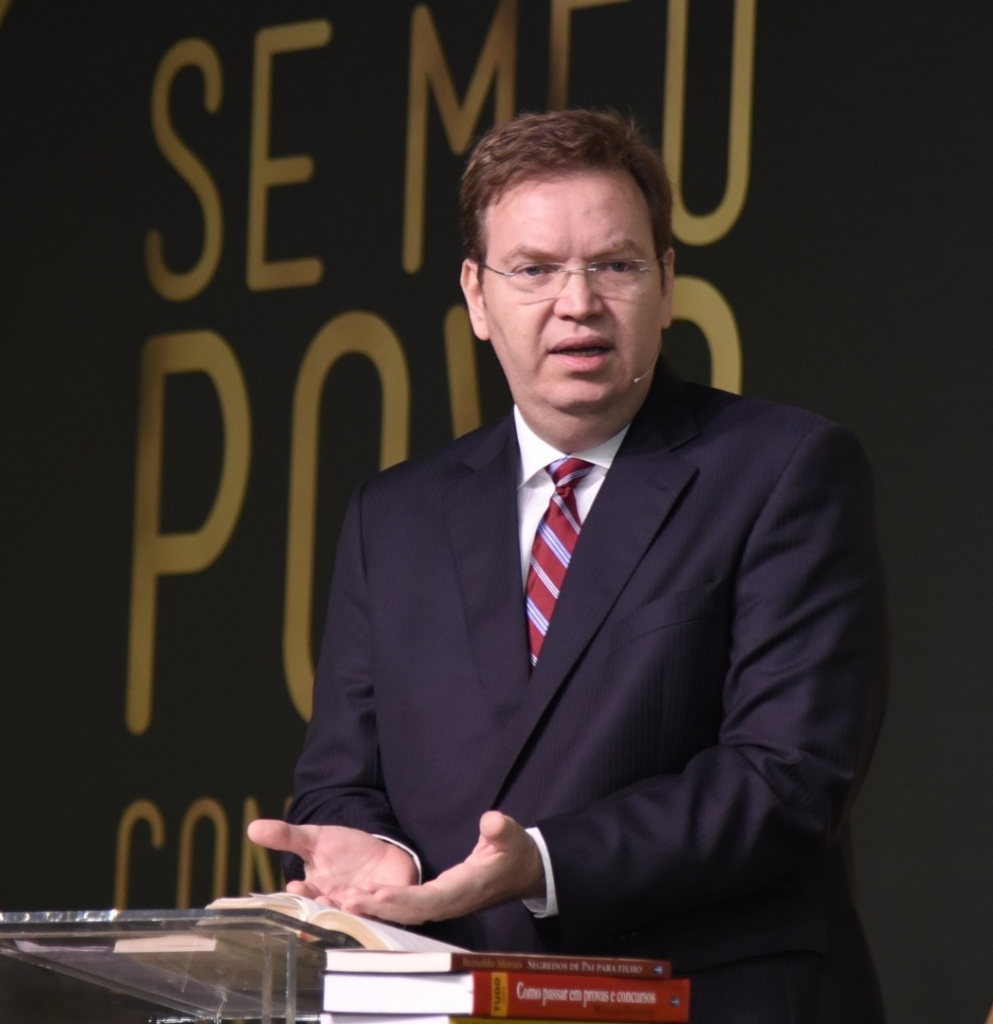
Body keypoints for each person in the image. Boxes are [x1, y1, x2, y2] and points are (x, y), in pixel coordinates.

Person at [250, 109, 889, 1023]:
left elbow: (786, 777)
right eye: (534, 269)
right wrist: (384, 856)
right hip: (463, 1002)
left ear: (666, 285)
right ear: (477, 297)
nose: (578, 302)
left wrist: (546, 863)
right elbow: (342, 778)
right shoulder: (391, 518)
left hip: (705, 1001)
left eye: (616, 266)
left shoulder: (784, 469)